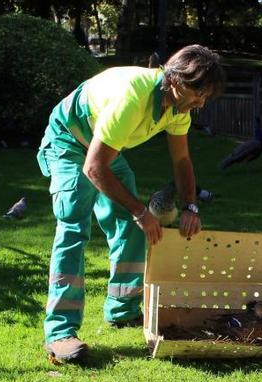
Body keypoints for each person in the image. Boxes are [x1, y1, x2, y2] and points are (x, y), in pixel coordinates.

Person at [36, 44, 225, 363]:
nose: (201, 102)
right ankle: (60, 333)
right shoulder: (132, 97)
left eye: (205, 97)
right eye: (198, 94)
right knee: (74, 229)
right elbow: (94, 168)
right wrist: (139, 211)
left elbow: (181, 161)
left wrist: (191, 206)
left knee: (134, 227)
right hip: (68, 141)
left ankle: (122, 309)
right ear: (177, 81)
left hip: (103, 148)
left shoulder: (177, 108)